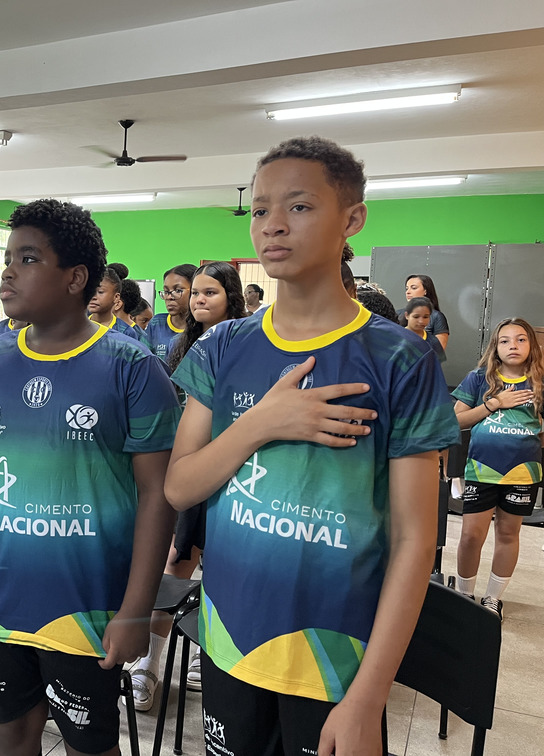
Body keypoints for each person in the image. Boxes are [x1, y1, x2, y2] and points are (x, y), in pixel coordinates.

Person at [165, 136, 459, 756]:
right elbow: (179, 486)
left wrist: (368, 698)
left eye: (298, 206)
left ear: (352, 219)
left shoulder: (401, 360)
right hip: (230, 640)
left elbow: (414, 540)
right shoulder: (223, 346)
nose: (272, 224)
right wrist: (261, 423)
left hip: (336, 659)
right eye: (259, 209)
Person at [0, 198, 181, 756]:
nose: (8, 272)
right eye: (8, 259)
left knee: (88, 743)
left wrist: (137, 609)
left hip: (88, 603)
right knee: (9, 730)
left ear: (75, 279)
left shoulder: (131, 367)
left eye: (27, 259)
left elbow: (158, 495)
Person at [131, 261, 247, 709]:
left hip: (232, 468)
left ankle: (205, 653)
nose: (198, 300)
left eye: (209, 293)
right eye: (195, 293)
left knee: (220, 564)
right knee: (175, 562)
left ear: (230, 297)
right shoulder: (184, 344)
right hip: (184, 466)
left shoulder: (244, 343)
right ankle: (149, 665)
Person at [452, 317, 543, 621]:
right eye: (505, 340)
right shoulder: (479, 378)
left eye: (520, 339)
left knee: (508, 534)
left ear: (531, 345)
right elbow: (456, 422)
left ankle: (493, 599)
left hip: (523, 473)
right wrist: (494, 404)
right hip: (482, 470)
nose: (512, 345)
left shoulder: (540, 381)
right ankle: (465, 596)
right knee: (470, 536)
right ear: (495, 346)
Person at [145, 264, 195, 366]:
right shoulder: (156, 323)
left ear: (195, 291)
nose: (169, 297)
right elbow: (144, 360)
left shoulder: (203, 326)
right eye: (166, 291)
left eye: (178, 290)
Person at [87, 267, 146, 344]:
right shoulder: (76, 327)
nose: (93, 296)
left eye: (100, 292)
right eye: (90, 290)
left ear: (116, 297)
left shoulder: (126, 332)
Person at [399, 274, 449, 350]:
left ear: (425, 291)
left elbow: (438, 351)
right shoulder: (398, 314)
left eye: (414, 288)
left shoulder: (437, 317)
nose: (408, 292)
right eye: (407, 289)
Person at [400, 296, 445, 363]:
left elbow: (436, 366)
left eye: (425, 317)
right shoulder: (397, 337)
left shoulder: (433, 342)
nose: (421, 321)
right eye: (416, 317)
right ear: (407, 315)